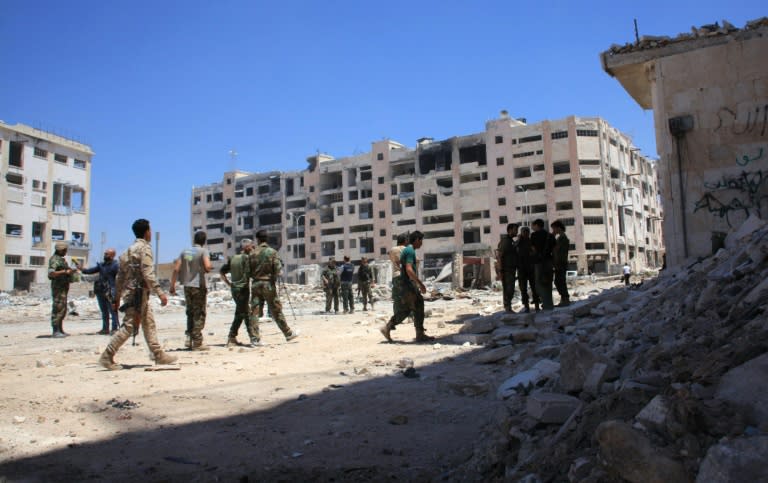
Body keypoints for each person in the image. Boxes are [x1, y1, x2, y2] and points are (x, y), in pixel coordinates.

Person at [99, 219, 177, 370]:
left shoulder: (126, 252)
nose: (151, 232)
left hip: (132, 293)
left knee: (148, 323)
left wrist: (116, 299)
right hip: (138, 293)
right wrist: (160, 293)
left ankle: (158, 354)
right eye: (150, 230)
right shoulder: (144, 249)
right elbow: (148, 273)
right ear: (147, 232)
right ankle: (106, 356)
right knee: (129, 326)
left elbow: (119, 278)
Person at [380, 231, 434, 343]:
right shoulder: (409, 251)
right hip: (407, 283)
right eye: (421, 240)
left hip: (404, 283)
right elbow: (409, 269)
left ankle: (389, 327)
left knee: (409, 308)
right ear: (417, 240)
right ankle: (418, 334)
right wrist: (420, 283)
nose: (422, 243)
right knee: (415, 305)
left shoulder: (404, 250)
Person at [247, 229, 299, 344]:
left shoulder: (252, 253)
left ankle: (255, 338)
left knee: (254, 311)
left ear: (258, 239)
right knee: (276, 309)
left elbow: (248, 271)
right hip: (268, 284)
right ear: (267, 239)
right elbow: (278, 271)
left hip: (255, 284)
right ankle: (288, 333)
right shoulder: (272, 252)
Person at [170, 231, 212, 350]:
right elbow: (208, 266)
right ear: (204, 241)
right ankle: (197, 342)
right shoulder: (203, 251)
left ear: (194, 240)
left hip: (187, 286)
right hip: (198, 286)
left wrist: (172, 285)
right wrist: (208, 268)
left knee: (190, 312)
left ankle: (189, 339)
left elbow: (176, 269)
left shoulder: (186, 251)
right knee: (199, 314)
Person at [220, 239, 257, 347]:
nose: (253, 249)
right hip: (242, 290)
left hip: (235, 289)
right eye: (252, 247)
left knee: (240, 313)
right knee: (246, 314)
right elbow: (251, 273)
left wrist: (229, 284)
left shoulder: (233, 258)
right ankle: (253, 338)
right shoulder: (246, 258)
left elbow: (222, 272)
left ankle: (232, 337)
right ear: (246, 248)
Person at [80, 248, 120, 334]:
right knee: (104, 311)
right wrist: (82, 269)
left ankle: (114, 328)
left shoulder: (116, 265)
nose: (105, 255)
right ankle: (105, 329)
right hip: (100, 290)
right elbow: (90, 271)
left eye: (107, 254)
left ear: (112, 255)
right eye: (105, 254)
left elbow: (121, 277)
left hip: (110, 291)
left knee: (113, 310)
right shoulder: (102, 265)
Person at [48, 241, 78, 338]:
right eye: (64, 250)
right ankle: (55, 331)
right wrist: (65, 271)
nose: (66, 252)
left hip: (63, 288)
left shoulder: (61, 260)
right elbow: (51, 273)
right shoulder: (54, 260)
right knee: (58, 308)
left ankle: (60, 329)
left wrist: (71, 271)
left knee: (63, 309)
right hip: (58, 288)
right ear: (60, 250)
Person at [530, 219, 555, 310]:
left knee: (539, 284)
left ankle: (546, 304)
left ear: (537, 225)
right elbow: (554, 249)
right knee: (548, 283)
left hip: (539, 262)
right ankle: (549, 304)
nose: (532, 227)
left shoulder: (534, 235)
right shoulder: (550, 235)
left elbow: (533, 248)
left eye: (533, 225)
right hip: (549, 261)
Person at [496, 223, 519, 312]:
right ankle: (507, 307)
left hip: (511, 269)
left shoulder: (511, 241)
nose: (516, 232)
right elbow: (499, 256)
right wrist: (500, 271)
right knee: (508, 289)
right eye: (515, 230)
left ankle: (508, 307)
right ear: (509, 230)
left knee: (511, 289)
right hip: (506, 270)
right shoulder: (505, 241)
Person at [516, 226, 539, 313]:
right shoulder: (519, 243)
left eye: (526, 232)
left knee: (533, 288)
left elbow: (535, 252)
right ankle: (527, 306)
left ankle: (535, 305)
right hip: (522, 268)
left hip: (529, 268)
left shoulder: (531, 242)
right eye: (523, 232)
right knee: (524, 289)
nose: (525, 234)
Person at [551, 220, 570, 307]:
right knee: (559, 281)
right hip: (559, 262)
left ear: (558, 228)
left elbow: (556, 250)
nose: (553, 230)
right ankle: (564, 299)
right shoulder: (560, 238)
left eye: (554, 228)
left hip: (560, 263)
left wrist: (552, 237)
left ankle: (565, 298)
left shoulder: (562, 238)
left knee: (559, 281)